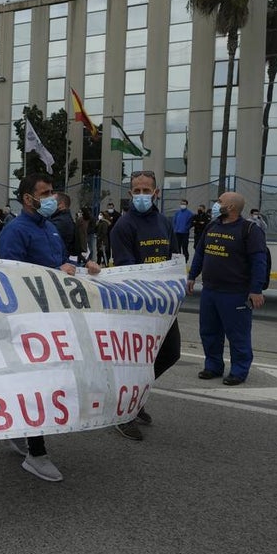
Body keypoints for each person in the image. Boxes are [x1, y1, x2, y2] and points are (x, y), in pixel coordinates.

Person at [0, 174, 101, 482]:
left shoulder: (50, 228)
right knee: (37, 383)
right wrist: (57, 271)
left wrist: (83, 268)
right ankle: (37, 453)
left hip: (52, 316)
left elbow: (61, 264)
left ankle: (20, 430)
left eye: (52, 192)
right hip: (28, 320)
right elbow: (10, 276)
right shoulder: (15, 231)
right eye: (44, 193)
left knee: (46, 381)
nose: (51, 198)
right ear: (27, 198)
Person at [108, 170, 181, 441]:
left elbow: (173, 258)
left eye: (146, 190)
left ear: (156, 193)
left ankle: (135, 398)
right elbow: (125, 269)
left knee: (170, 353)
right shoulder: (123, 226)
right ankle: (123, 413)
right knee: (134, 362)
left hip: (163, 305)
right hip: (137, 306)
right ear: (130, 194)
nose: (141, 195)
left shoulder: (164, 223)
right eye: (136, 191)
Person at [187, 192, 267, 386]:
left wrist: (256, 290)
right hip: (210, 291)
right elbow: (200, 253)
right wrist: (192, 276)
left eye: (220, 201)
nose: (216, 204)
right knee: (209, 332)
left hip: (235, 293)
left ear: (230, 207)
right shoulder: (212, 226)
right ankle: (213, 366)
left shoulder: (250, 230)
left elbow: (259, 262)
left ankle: (239, 371)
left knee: (237, 335)